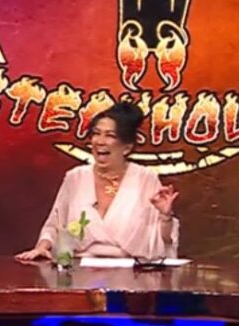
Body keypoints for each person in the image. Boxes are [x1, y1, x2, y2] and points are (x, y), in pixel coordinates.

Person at [15, 101, 180, 262]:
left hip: (131, 271)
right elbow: (55, 224)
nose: (100, 141)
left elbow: (163, 240)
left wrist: (165, 216)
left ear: (127, 148)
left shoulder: (145, 178)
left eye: (110, 135)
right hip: (80, 269)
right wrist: (42, 247)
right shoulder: (75, 177)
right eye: (96, 133)